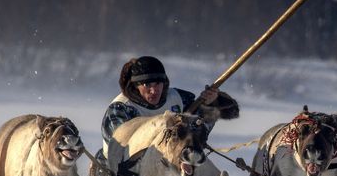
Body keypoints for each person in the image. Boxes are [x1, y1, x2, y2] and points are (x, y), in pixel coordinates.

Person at [100, 55, 238, 160]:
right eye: (147, 85)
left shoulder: (179, 99)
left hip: (171, 166)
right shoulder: (120, 109)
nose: (154, 91)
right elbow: (121, 149)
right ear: (135, 86)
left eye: (158, 84)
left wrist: (210, 103)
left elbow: (202, 130)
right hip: (120, 173)